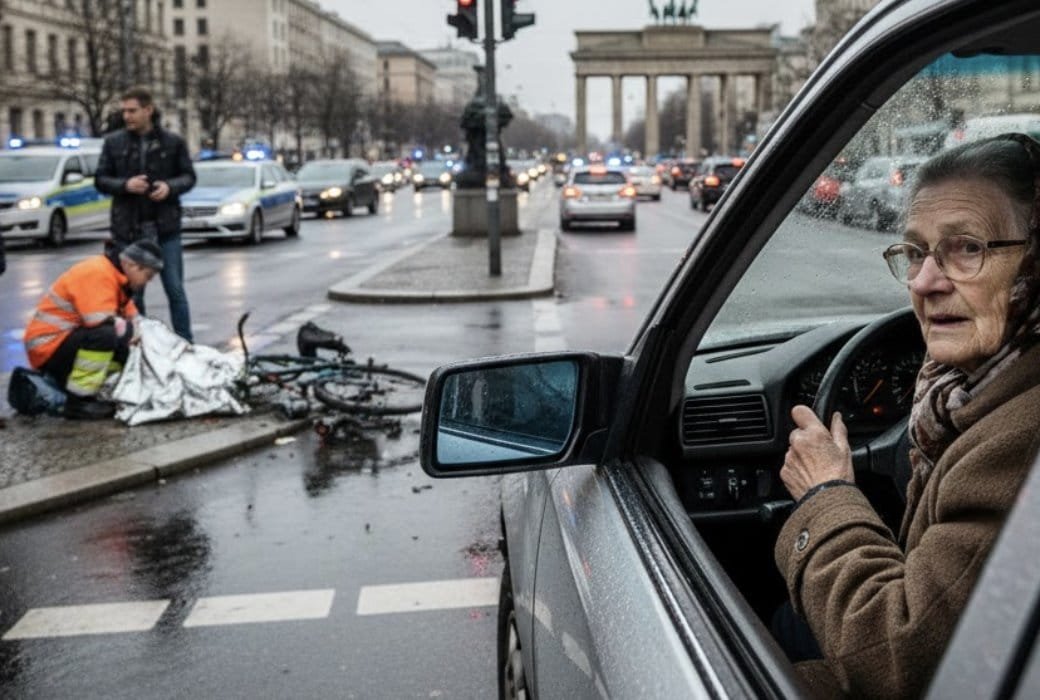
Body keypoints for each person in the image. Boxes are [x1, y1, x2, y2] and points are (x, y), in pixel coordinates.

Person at [773, 132, 1040, 698]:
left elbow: (898, 657)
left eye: (967, 248)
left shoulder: (1017, 442)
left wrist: (826, 495)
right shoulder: (966, 386)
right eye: (915, 252)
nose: (922, 282)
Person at [94, 86, 196, 343]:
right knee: (133, 294)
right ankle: (141, 344)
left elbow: (189, 176)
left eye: (133, 110)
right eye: (124, 111)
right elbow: (100, 179)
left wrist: (169, 187)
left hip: (165, 228)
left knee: (174, 289)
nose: (127, 116)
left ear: (148, 110)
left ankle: (186, 344)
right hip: (128, 230)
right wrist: (125, 185)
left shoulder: (172, 142)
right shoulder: (113, 142)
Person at [23, 240, 164, 419]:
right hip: (47, 346)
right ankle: (79, 401)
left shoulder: (116, 276)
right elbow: (99, 321)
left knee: (122, 343)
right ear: (132, 265)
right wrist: (132, 332)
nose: (147, 282)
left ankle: (94, 389)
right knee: (105, 335)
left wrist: (141, 332)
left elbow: (131, 316)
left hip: (59, 343)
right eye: (148, 275)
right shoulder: (99, 273)